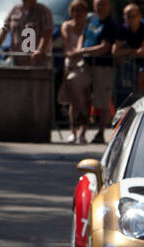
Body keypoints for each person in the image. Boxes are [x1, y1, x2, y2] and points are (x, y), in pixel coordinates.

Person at [82, 0, 116, 143]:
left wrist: (82, 51)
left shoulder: (110, 24)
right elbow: (84, 38)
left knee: (103, 100)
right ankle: (80, 129)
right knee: (83, 95)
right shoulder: (92, 21)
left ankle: (101, 132)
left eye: (103, 4)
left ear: (109, 6)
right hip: (87, 64)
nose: (100, 7)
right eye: (97, 4)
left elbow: (105, 47)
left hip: (103, 66)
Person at [58, 0, 89, 144]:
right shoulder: (67, 26)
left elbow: (84, 44)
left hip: (85, 65)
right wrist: (73, 53)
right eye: (74, 11)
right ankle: (73, 132)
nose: (77, 14)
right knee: (74, 101)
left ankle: (83, 132)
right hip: (71, 65)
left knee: (85, 97)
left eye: (80, 11)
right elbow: (67, 41)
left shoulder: (88, 27)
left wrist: (79, 52)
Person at [112, 2, 144, 109]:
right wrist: (132, 51)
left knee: (142, 78)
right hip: (126, 64)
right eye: (128, 16)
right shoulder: (123, 29)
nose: (131, 19)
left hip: (140, 62)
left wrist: (127, 51)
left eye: (134, 16)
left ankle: (141, 106)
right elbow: (115, 52)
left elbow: (143, 50)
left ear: (139, 16)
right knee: (124, 88)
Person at [0, 0, 53, 66]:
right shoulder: (15, 10)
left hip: (37, 61)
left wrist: (40, 50)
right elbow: (4, 29)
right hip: (17, 60)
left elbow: (47, 32)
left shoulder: (43, 10)